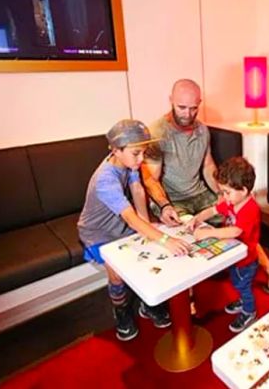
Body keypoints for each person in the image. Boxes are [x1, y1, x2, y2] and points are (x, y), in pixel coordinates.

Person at [141, 78, 269, 297]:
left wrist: (220, 195)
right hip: (172, 200)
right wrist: (165, 205)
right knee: (190, 234)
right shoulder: (157, 133)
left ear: (200, 103)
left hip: (200, 194)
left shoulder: (202, 131)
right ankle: (187, 298)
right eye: (182, 107)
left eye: (193, 108)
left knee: (241, 223)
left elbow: (208, 166)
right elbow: (151, 179)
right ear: (171, 100)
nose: (188, 114)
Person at [78, 119, 191, 341]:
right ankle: (121, 313)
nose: (141, 160)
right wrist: (164, 239)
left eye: (143, 153)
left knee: (148, 258)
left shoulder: (127, 164)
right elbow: (130, 218)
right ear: (116, 150)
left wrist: (148, 226)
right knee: (118, 274)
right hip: (98, 233)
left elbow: (137, 189)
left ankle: (147, 307)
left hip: (118, 224)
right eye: (136, 154)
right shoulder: (105, 179)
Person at [186, 157, 260, 332]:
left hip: (246, 260)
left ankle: (250, 311)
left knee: (243, 285)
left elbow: (235, 231)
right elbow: (213, 210)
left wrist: (208, 233)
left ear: (243, 190)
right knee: (237, 282)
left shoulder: (250, 208)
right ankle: (243, 299)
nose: (224, 197)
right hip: (235, 256)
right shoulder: (231, 202)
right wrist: (197, 219)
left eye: (227, 192)